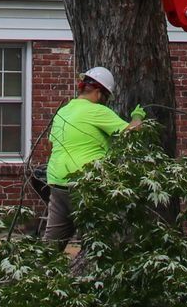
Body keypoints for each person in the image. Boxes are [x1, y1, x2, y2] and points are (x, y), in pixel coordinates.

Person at [43, 65, 144, 245]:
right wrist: (137, 117)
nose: (104, 101)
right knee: (95, 241)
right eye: (105, 97)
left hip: (57, 181)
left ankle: (42, 270)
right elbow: (132, 132)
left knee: (52, 244)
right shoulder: (97, 111)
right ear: (98, 92)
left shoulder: (63, 111)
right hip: (85, 183)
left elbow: (51, 143)